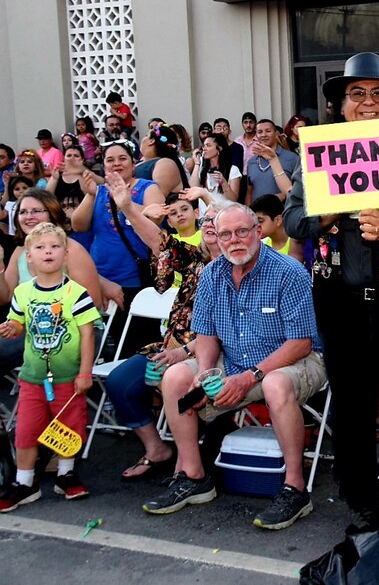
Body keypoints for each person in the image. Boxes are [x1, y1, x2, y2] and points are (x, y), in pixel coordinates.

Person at [283, 52, 379, 526]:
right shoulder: (318, 153)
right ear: (339, 104)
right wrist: (325, 214)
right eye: (358, 94)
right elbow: (293, 218)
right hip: (341, 303)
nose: (369, 103)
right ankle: (361, 501)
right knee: (352, 406)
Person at [143, 204, 322, 530]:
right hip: (235, 356)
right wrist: (204, 373)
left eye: (242, 231)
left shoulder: (289, 272)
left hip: (293, 359)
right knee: (175, 377)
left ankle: (296, 488)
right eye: (226, 234)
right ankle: (194, 476)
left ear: (258, 232)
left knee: (274, 384)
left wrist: (248, 377)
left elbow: (301, 344)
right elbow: (206, 334)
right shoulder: (211, 273)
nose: (234, 240)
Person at [104, 177, 222, 480]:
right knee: (120, 382)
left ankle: (189, 462)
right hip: (172, 345)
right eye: (207, 219)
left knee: (177, 382)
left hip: (214, 353)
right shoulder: (195, 260)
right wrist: (129, 208)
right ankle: (158, 449)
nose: (209, 224)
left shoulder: (243, 268)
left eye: (215, 219)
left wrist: (184, 353)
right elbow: (159, 241)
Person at [0, 223, 99, 511]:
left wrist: (84, 372)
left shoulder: (76, 293)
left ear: (66, 255)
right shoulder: (22, 292)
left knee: (69, 427)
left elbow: (86, 333)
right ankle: (25, 481)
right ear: (28, 256)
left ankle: (66, 474)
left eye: (54, 247)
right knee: (27, 429)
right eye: (40, 247)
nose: (48, 252)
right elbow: (19, 324)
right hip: (33, 377)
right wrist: (11, 328)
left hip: (68, 376)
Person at [70, 139, 165, 355]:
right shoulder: (99, 191)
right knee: (108, 340)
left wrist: (126, 203)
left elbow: (157, 217)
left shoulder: (147, 187)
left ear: (133, 163)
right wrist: (90, 194)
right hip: (100, 277)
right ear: (104, 166)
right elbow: (78, 224)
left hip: (135, 278)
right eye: (110, 160)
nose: (117, 164)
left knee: (136, 342)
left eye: (122, 158)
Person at [0, 189, 109, 372]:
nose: (29, 217)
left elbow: (93, 301)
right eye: (23, 212)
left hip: (77, 331)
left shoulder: (71, 249)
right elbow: (7, 297)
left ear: (51, 213)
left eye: (36, 211)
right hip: (31, 329)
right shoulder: (20, 252)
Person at [246, 119, 297, 203]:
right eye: (259, 132)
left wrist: (283, 195)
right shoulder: (252, 162)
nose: (264, 135)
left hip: (284, 212)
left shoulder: (292, 158)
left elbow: (300, 188)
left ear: (276, 134)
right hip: (257, 214)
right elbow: (249, 192)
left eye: (268, 131)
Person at [135, 123, 188, 195]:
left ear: (152, 141)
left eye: (146, 136)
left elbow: (157, 198)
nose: (143, 139)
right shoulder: (141, 162)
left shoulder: (165, 164)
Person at [252, 194, 302, 262]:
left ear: (278, 220)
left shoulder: (298, 241)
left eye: (260, 221)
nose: (256, 226)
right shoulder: (261, 246)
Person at [196, 133, 241, 202]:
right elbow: (193, 187)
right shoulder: (202, 167)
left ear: (219, 149)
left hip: (224, 211)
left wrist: (223, 183)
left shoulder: (233, 169)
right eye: (203, 145)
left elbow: (233, 199)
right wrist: (197, 163)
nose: (204, 149)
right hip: (205, 211)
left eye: (208, 145)